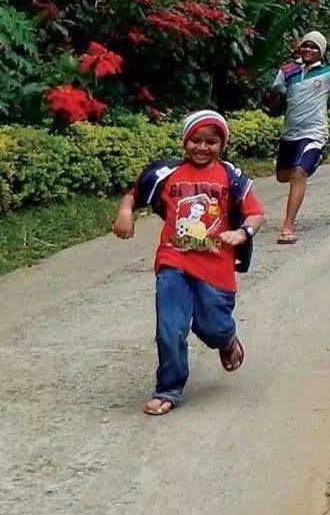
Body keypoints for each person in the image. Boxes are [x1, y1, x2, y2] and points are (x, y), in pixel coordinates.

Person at [113, 110, 266, 416]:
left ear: (221, 144)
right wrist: (125, 213)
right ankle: (168, 388)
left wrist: (242, 232)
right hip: (174, 261)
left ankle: (226, 340)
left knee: (213, 328)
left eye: (211, 141)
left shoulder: (231, 177)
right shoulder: (166, 175)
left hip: (216, 269)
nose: (202, 147)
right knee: (169, 327)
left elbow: (256, 213)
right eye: (195, 140)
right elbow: (134, 195)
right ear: (185, 141)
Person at [270, 30, 330, 244]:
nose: (309, 49)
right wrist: (274, 97)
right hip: (290, 134)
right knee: (283, 176)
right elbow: (275, 101)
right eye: (306, 45)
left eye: (314, 47)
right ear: (300, 48)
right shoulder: (287, 71)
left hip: (314, 133)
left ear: (322, 52)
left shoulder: (329, 73)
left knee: (298, 173)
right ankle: (316, 159)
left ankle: (288, 227)